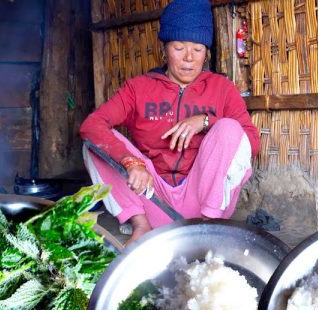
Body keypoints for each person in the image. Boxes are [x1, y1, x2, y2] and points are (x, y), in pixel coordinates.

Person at [80, 0, 259, 244]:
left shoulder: (222, 89)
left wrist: (206, 121)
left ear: (206, 53)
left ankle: (209, 228)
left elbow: (250, 142)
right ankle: (140, 225)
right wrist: (131, 161)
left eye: (197, 50)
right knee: (93, 145)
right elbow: (91, 126)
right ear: (164, 49)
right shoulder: (138, 88)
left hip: (204, 202)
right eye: (178, 48)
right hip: (154, 198)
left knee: (229, 128)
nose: (188, 58)